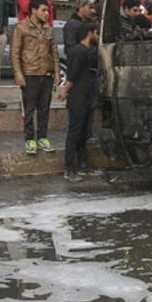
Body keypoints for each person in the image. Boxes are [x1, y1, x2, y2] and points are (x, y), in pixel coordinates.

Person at [11, 0, 60, 155]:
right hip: (30, 73)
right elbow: (15, 53)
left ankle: (43, 137)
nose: (46, 14)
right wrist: (18, 74)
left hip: (46, 74)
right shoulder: (21, 28)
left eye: (48, 11)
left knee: (44, 108)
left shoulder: (48, 29)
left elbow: (55, 53)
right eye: (43, 10)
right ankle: (30, 139)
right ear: (33, 10)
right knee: (29, 108)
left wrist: (57, 73)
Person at [59, 22, 102, 182]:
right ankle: (70, 168)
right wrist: (65, 91)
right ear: (90, 33)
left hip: (88, 96)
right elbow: (73, 75)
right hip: (78, 97)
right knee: (75, 132)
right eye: (95, 32)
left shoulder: (89, 51)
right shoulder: (79, 51)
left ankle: (83, 165)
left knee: (84, 133)